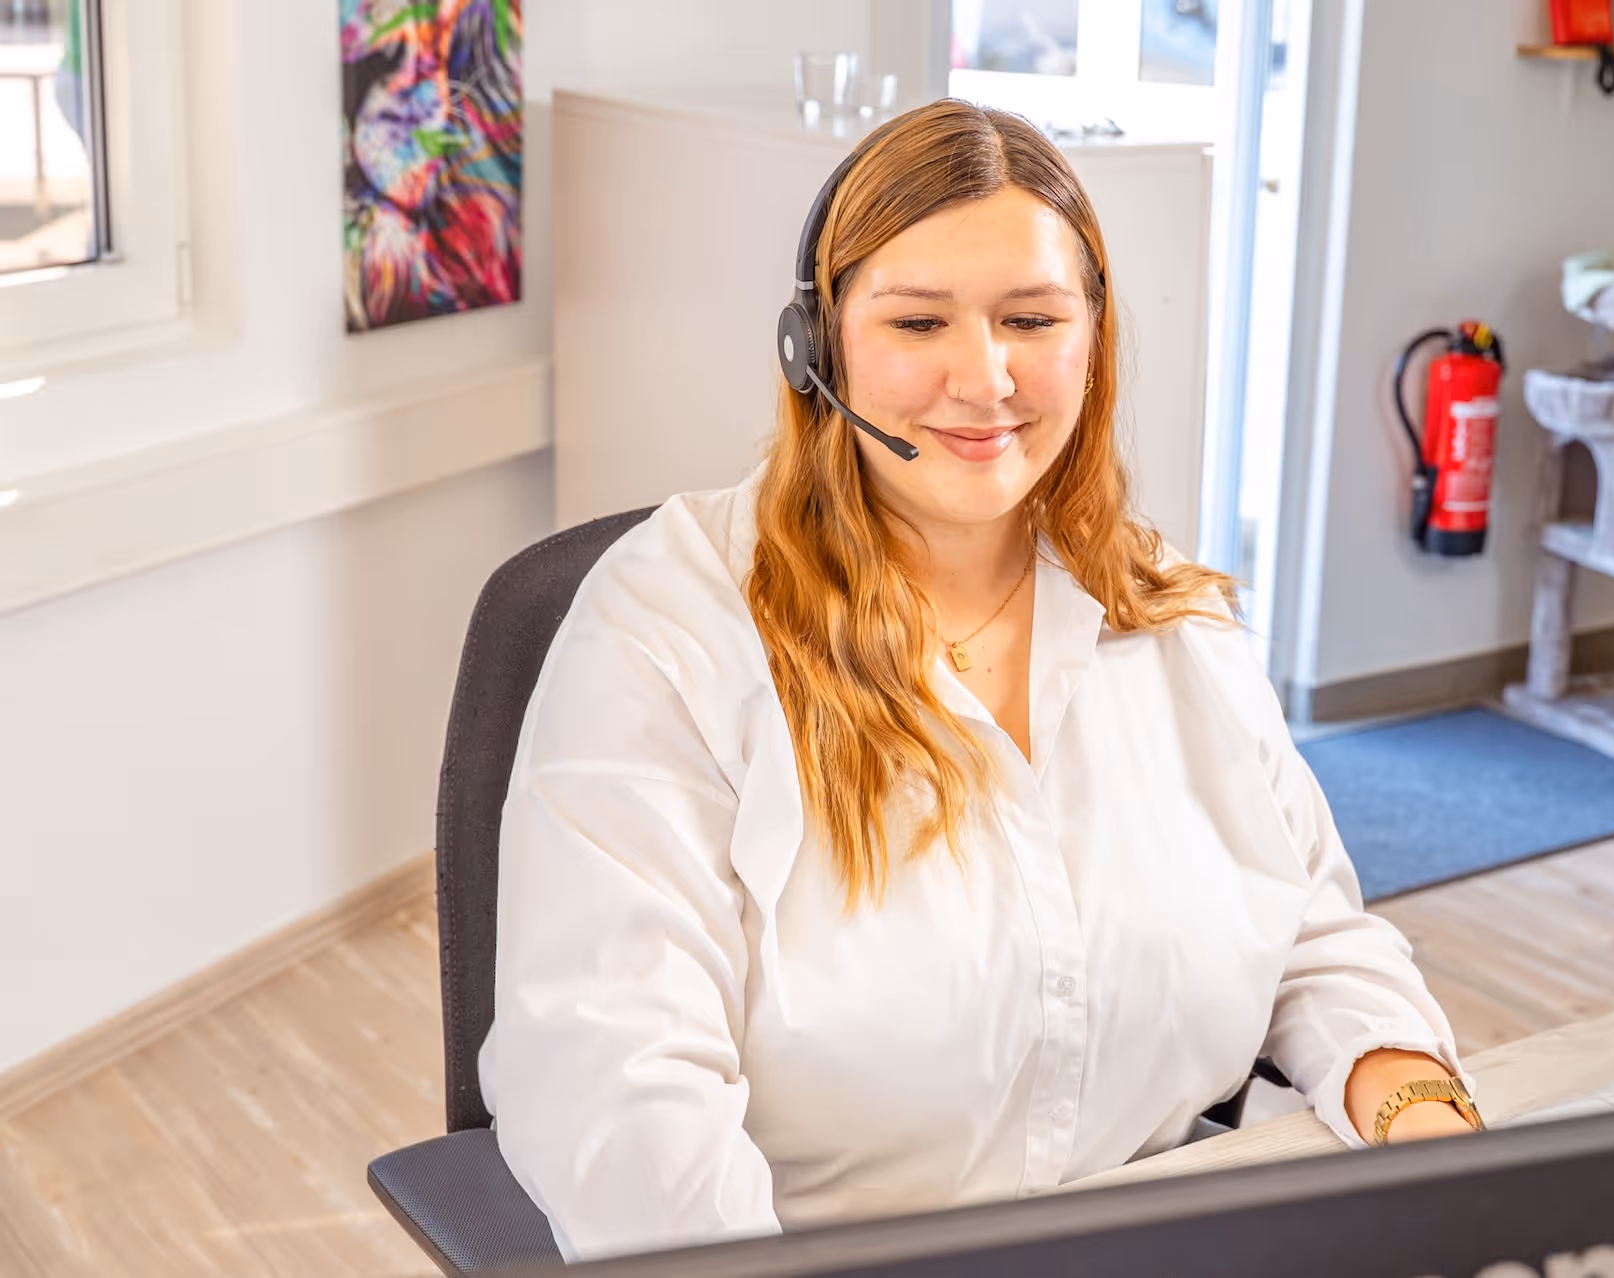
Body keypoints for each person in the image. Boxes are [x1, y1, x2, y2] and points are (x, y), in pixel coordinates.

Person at [479, 99, 1477, 1264]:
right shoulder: (669, 630)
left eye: (1030, 318)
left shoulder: (1166, 615)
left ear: (1092, 338)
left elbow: (1309, 930)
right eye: (917, 321)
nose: (985, 377)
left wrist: (1416, 1111)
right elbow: (620, 1086)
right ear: (819, 346)